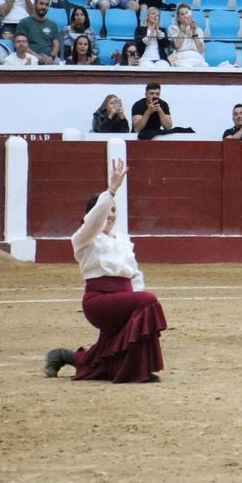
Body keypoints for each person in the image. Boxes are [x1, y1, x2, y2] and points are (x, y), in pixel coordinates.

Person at [42, 160, 167, 383]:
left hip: (124, 301)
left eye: (114, 211)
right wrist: (111, 190)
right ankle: (137, 369)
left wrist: (136, 302)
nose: (111, 215)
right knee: (148, 302)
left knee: (106, 356)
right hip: (100, 303)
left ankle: (62, 355)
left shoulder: (123, 241)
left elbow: (135, 276)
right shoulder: (84, 238)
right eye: (106, 211)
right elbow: (94, 220)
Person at [15, 0, 60, 65]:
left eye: (46, 5)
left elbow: (56, 45)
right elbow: (22, 44)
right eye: (41, 4)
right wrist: (38, 57)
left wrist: (51, 57)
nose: (44, 7)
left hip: (50, 58)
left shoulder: (53, 24)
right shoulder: (24, 23)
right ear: (35, 4)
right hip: (31, 56)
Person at [167, 3, 207, 67]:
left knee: (205, 67)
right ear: (178, 18)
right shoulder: (173, 28)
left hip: (197, 57)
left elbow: (201, 50)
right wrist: (184, 27)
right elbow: (177, 45)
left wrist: (194, 33)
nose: (185, 16)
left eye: (187, 13)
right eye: (182, 14)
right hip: (182, 58)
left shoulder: (198, 30)